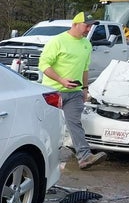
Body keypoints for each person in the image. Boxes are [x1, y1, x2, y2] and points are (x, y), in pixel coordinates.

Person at [40, 11, 107, 170]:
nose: (88, 28)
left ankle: (84, 157)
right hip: (53, 92)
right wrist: (61, 80)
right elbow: (43, 65)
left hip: (75, 92)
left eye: (90, 26)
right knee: (48, 126)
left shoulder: (86, 44)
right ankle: (43, 159)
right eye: (86, 25)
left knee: (75, 123)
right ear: (75, 24)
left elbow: (85, 69)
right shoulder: (58, 41)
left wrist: (85, 89)